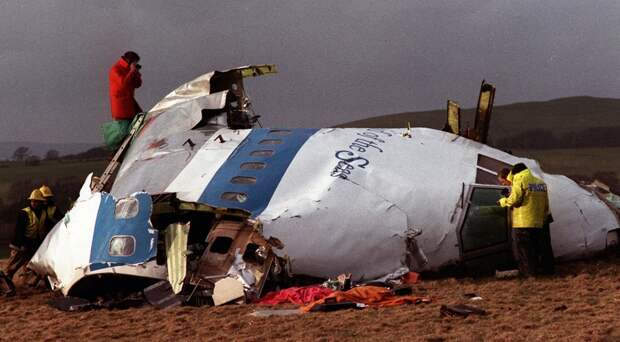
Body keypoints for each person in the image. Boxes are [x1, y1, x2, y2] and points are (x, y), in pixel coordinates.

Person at [498, 163, 553, 276]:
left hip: (522, 222)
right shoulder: (540, 183)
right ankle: (546, 271)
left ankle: (530, 274)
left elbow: (515, 200)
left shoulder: (520, 180)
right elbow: (546, 204)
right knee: (540, 248)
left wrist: (503, 202)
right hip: (538, 222)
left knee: (525, 250)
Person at [1, 189, 48, 295]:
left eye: (37, 201)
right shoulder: (24, 213)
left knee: (32, 266)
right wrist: (21, 245)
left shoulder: (44, 213)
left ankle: (28, 284)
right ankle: (5, 287)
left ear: (41, 202)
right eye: (33, 201)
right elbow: (19, 231)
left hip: (33, 245)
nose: (34, 203)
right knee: (11, 267)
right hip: (20, 245)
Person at [109, 51, 143, 121]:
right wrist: (132, 71)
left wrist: (136, 72)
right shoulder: (115, 69)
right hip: (121, 105)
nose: (136, 64)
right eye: (135, 62)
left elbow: (137, 84)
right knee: (125, 127)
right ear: (129, 60)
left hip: (130, 102)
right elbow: (123, 84)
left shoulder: (129, 69)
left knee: (140, 119)